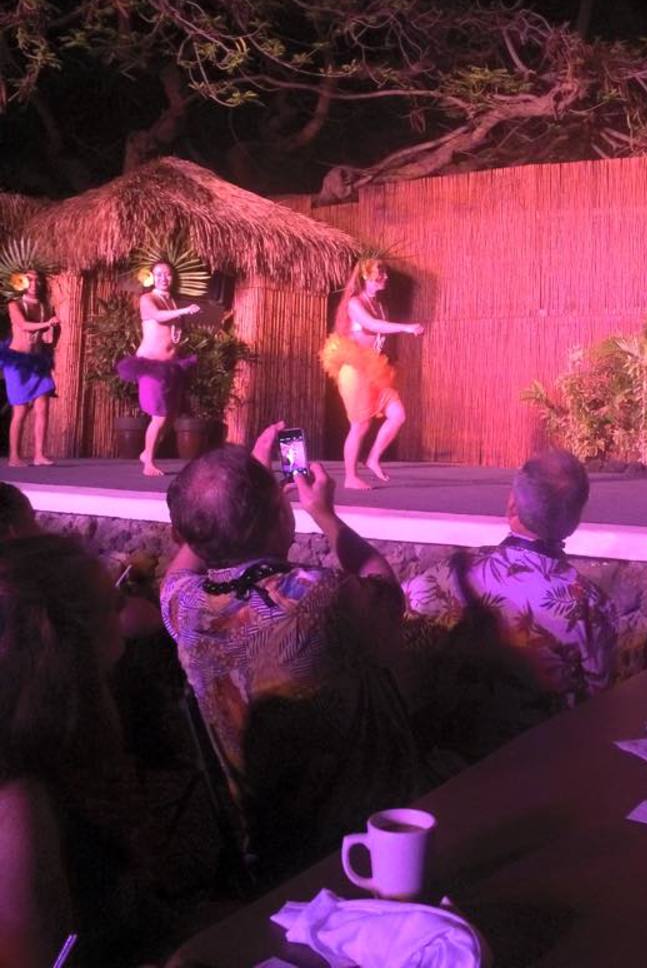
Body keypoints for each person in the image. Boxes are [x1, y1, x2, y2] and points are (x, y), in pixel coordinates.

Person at [161, 422, 421, 879]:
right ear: (282, 520)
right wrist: (325, 514)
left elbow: (188, 557)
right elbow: (385, 589)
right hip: (347, 836)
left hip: (260, 835)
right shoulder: (317, 599)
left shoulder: (184, 604)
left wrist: (242, 494)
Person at [0, 534, 172, 968]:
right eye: (109, 600)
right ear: (62, 640)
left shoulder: (71, 723)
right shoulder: (19, 803)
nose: (122, 606)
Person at [403, 449, 616, 763]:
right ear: (574, 522)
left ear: (512, 504)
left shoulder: (449, 575)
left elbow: (398, 618)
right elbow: (597, 704)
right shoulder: (590, 604)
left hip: (449, 756)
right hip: (545, 762)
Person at [321, 258, 424, 489]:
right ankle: (350, 477)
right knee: (360, 425)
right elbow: (373, 325)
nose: (385, 277)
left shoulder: (379, 306)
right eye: (381, 273)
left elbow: (378, 331)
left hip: (373, 369)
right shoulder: (355, 304)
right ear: (366, 276)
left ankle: (373, 459)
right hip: (355, 369)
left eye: (385, 273)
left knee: (398, 415)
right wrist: (406, 327)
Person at [116, 260, 200, 477]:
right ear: (152, 277)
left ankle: (146, 453)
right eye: (159, 274)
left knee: (171, 416)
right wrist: (185, 310)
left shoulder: (171, 301)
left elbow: (170, 328)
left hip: (170, 366)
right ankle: (149, 464)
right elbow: (157, 316)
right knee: (160, 416)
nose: (164, 278)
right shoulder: (148, 299)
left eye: (168, 274)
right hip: (151, 366)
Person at [1, 270, 59, 468]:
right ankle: (14, 457)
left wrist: (52, 333)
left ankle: (39, 455)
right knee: (21, 410)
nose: (34, 284)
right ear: (21, 283)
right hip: (18, 364)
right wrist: (47, 323)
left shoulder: (45, 307)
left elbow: (49, 337)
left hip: (37, 361)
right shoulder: (15, 305)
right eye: (30, 280)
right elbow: (24, 325)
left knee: (43, 408)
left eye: (38, 280)